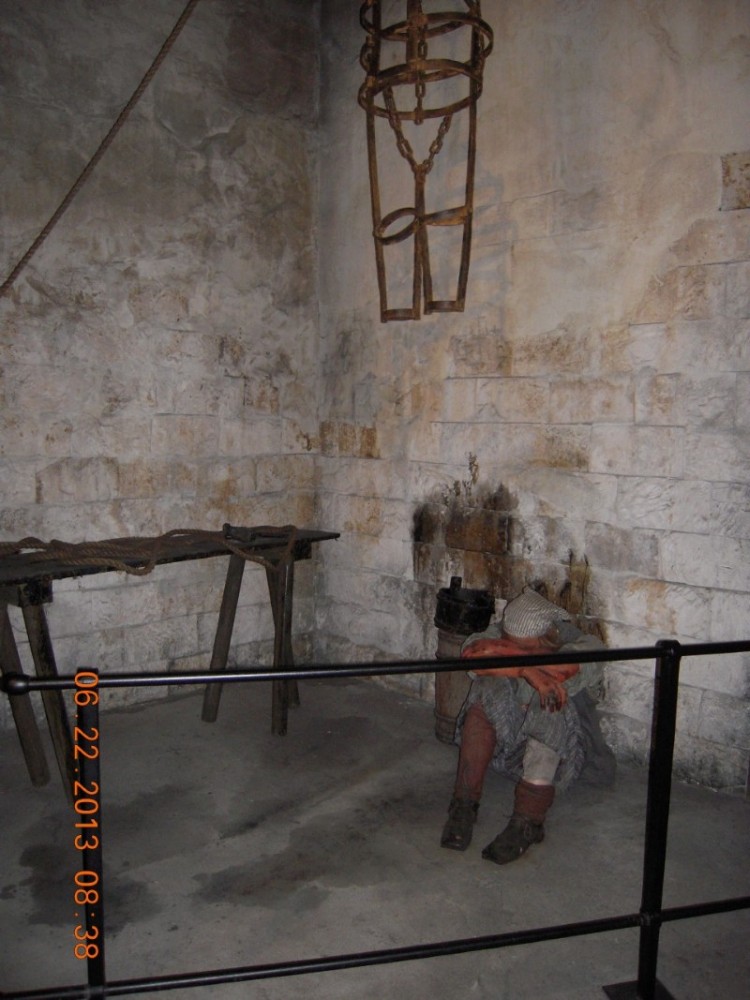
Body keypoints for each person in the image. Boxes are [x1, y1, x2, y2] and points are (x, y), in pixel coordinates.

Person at [440, 587, 614, 864]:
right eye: (511, 645)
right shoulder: (499, 632)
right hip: (509, 753)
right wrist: (525, 669)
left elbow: (559, 670)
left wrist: (506, 658)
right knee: (486, 687)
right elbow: (472, 655)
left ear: (548, 637)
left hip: (563, 760)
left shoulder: (585, 645)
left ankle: (528, 821)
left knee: (551, 698)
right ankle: (464, 804)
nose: (518, 652)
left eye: (526, 649)